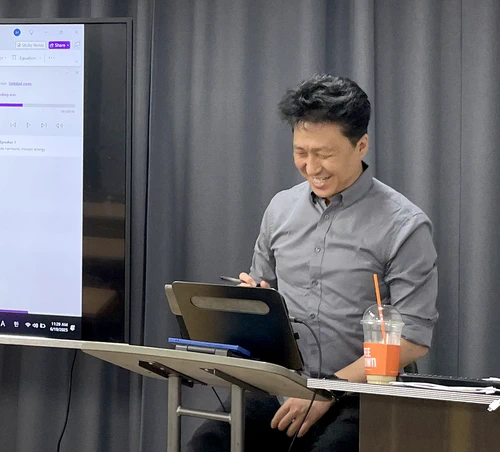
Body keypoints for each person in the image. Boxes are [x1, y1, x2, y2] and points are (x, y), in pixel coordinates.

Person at [187, 75, 438, 451]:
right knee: (207, 443)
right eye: (300, 152)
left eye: (324, 154)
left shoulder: (405, 226)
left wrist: (326, 390)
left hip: (362, 392)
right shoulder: (281, 209)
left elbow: (413, 340)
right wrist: (251, 300)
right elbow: (262, 292)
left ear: (361, 145)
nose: (311, 166)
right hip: (283, 385)